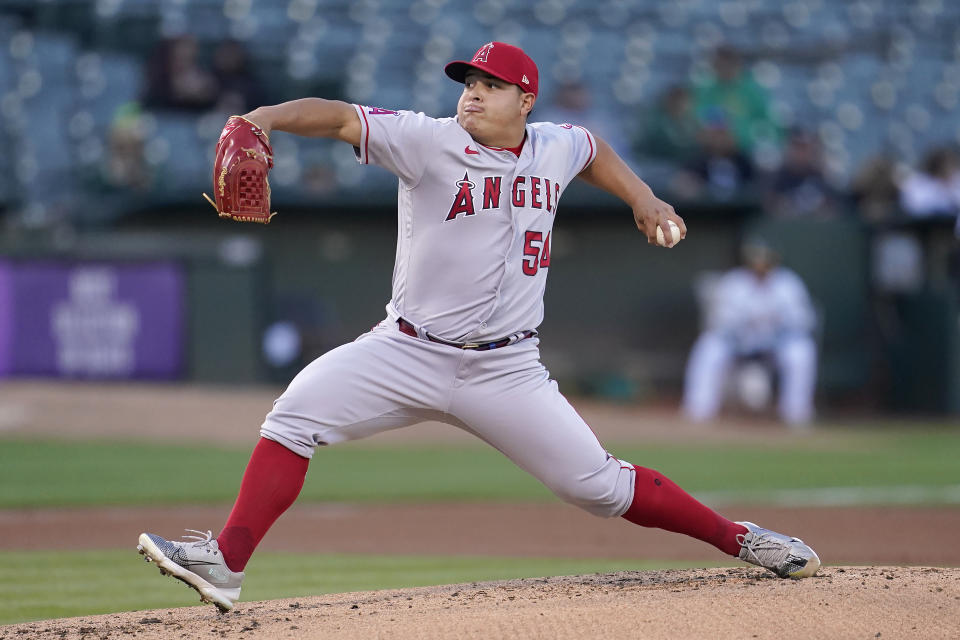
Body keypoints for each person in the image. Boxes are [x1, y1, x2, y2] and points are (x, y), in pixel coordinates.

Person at [136, 42, 821, 613]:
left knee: (601, 489)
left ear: (526, 101)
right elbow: (340, 117)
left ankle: (741, 539)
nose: (472, 94)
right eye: (469, 82)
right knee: (292, 417)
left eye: (491, 85)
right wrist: (262, 118)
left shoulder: (554, 144)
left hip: (507, 370)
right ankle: (226, 561)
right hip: (405, 350)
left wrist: (643, 196)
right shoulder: (427, 140)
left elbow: (590, 149)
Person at [682, 238, 818, 427]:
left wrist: (777, 321)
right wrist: (745, 323)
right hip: (739, 342)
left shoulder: (788, 283)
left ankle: (796, 413)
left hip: (776, 342)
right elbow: (718, 322)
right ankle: (699, 411)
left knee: (801, 352)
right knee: (709, 346)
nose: (761, 263)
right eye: (757, 258)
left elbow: (804, 320)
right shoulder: (734, 282)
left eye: (765, 259)